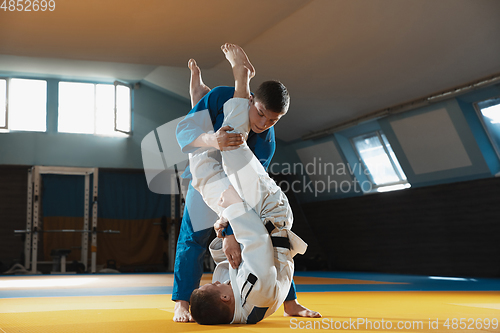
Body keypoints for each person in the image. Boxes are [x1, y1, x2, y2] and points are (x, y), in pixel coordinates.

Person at [173, 43, 320, 322]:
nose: (264, 123)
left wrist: (228, 231)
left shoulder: (266, 143)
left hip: (233, 191)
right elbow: (185, 132)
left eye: (273, 120)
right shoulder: (221, 97)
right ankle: (182, 301)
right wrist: (211, 139)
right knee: (192, 236)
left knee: (267, 242)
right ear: (250, 100)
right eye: (261, 113)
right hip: (206, 164)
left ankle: (290, 302)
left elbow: (247, 196)